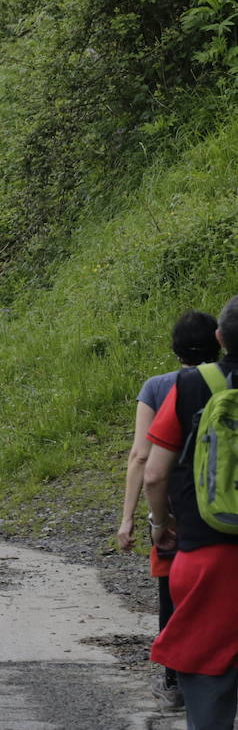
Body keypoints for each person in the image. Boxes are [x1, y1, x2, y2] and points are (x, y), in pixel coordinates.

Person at [144, 296, 238, 730]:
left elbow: (154, 475)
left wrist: (161, 526)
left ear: (221, 338)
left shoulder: (190, 386)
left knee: (207, 690)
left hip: (204, 556)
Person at [118, 310, 220, 709]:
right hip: (225, 505)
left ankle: (174, 681)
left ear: (175, 349)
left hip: (176, 512)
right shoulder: (226, 381)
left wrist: (130, 518)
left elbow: (141, 457)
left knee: (172, 597)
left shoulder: (159, 387)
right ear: (217, 341)